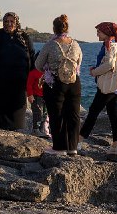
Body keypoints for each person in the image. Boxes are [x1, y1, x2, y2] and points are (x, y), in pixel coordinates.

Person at [0, 12, 35, 130]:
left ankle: (16, 130)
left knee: (17, 112)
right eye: (6, 21)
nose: (9, 24)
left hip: (20, 81)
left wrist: (32, 79)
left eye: (12, 21)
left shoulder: (24, 37)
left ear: (16, 22)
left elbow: (32, 57)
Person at [35, 14, 83, 155]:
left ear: (54, 29)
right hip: (74, 82)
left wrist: (49, 68)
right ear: (67, 28)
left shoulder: (51, 45)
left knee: (57, 114)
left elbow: (38, 65)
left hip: (55, 83)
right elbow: (79, 62)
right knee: (74, 115)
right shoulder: (75, 44)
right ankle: (73, 147)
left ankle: (59, 148)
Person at [79, 21, 117, 155]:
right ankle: (116, 146)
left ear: (106, 33)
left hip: (108, 87)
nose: (97, 34)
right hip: (113, 86)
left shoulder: (110, 46)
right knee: (113, 114)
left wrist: (94, 72)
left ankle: (78, 141)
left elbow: (109, 65)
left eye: (99, 32)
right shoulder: (110, 45)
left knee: (93, 111)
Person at [26, 61, 50, 138]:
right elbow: (29, 85)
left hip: (46, 96)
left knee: (45, 113)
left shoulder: (48, 73)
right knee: (37, 112)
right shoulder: (33, 73)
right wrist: (30, 95)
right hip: (36, 96)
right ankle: (35, 129)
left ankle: (42, 129)